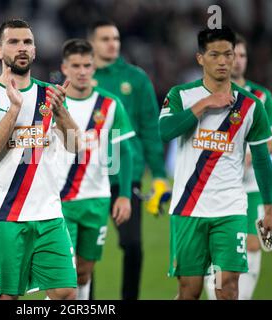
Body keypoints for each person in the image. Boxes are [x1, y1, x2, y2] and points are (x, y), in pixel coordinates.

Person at [159, 26, 272, 300]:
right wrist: (204, 105)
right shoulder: (181, 95)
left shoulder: (251, 105)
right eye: (215, 54)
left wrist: (268, 211)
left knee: (228, 290)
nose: (225, 61)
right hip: (188, 207)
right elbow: (165, 131)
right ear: (200, 58)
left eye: (229, 54)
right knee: (188, 291)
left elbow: (261, 159)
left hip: (230, 209)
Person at [0, 19, 81, 300]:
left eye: (27, 42)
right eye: (13, 42)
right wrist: (14, 108)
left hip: (48, 214)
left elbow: (75, 145)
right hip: (4, 215)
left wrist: (61, 113)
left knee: (66, 292)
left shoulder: (49, 94)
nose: (22, 48)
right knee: (6, 297)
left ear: (35, 50)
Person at [87, 20, 169, 300]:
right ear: (92, 43)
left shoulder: (136, 78)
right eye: (105, 38)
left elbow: (150, 127)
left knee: (132, 245)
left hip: (126, 174)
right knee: (84, 250)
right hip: (87, 177)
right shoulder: (80, 78)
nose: (113, 43)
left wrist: (158, 174)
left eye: (116, 38)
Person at [203, 33, 272, 300]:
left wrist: (250, 153)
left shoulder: (261, 95)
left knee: (255, 243)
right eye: (231, 55)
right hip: (217, 187)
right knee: (215, 246)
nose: (237, 61)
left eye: (242, 55)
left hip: (251, 186)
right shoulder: (206, 96)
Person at [58, 39, 135, 300]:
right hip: (59, 201)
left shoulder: (110, 105)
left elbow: (123, 152)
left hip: (96, 200)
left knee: (84, 273)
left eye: (87, 65)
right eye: (75, 65)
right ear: (64, 68)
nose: (81, 71)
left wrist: (124, 194)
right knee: (63, 278)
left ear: (94, 68)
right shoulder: (53, 104)